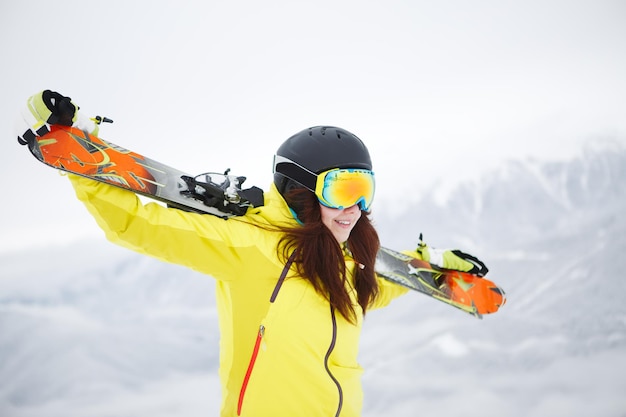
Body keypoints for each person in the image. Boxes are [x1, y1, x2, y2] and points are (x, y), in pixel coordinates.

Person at [18, 91, 488, 417]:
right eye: (341, 188)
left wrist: (431, 265)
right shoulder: (253, 251)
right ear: (301, 190)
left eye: (364, 191)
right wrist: (84, 161)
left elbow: (379, 286)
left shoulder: (347, 263)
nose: (354, 209)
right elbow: (141, 226)